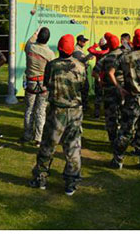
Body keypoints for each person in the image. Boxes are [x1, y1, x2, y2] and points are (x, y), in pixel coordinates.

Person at [30, 34, 86, 195]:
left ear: (59, 49)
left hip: (56, 111)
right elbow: (84, 88)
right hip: (75, 111)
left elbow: (47, 83)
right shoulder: (80, 66)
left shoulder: (52, 65)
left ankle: (40, 178)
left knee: (48, 145)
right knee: (73, 147)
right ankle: (71, 183)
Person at [111, 30, 140, 171]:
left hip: (131, 99)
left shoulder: (124, 57)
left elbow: (111, 72)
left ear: (133, 42)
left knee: (126, 131)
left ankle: (118, 160)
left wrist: (119, 88)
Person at [22, 27, 55, 145]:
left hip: (31, 83)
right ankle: (39, 138)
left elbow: (29, 41)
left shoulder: (30, 47)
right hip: (43, 85)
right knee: (41, 111)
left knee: (29, 110)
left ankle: (27, 135)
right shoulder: (50, 53)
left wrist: (35, 32)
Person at [99, 34, 124, 143]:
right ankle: (123, 138)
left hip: (109, 90)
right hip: (124, 89)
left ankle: (113, 139)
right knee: (123, 113)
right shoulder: (125, 56)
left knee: (110, 116)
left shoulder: (106, 58)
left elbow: (95, 72)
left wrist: (100, 81)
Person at [72, 34, 94, 114]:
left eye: (85, 41)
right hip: (79, 73)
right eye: (83, 41)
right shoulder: (76, 50)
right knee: (84, 89)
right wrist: (90, 55)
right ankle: (82, 106)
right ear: (79, 41)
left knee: (85, 89)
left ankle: (83, 106)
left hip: (82, 72)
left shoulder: (80, 49)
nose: (85, 43)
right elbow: (82, 60)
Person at [88, 36, 109, 119]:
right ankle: (107, 115)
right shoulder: (109, 52)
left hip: (98, 76)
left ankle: (97, 115)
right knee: (108, 97)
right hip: (107, 77)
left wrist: (95, 46)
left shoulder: (99, 53)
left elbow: (90, 49)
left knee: (98, 97)